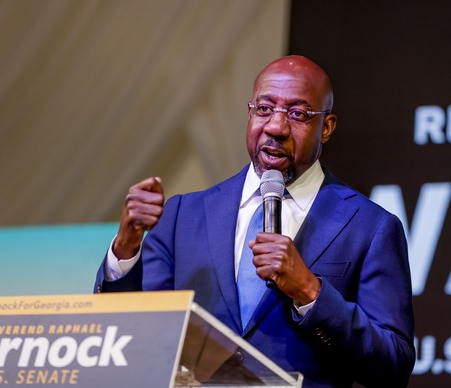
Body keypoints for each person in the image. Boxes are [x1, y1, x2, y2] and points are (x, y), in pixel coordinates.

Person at [94, 55, 415, 387]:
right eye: (264, 109)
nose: (275, 127)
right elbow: (127, 335)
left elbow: (393, 365)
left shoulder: (370, 226)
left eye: (298, 114)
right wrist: (126, 249)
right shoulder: (181, 217)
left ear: (328, 126)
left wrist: (310, 290)